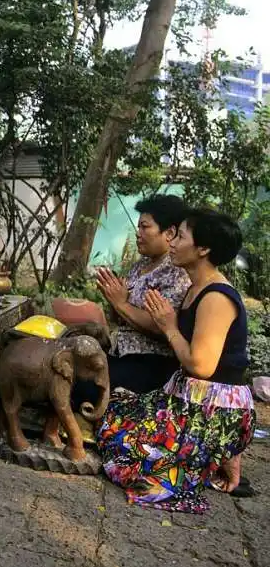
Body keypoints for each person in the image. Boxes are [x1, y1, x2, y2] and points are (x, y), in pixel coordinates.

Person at [97, 208, 256, 512]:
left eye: (180, 235)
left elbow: (201, 366)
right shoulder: (195, 287)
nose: (171, 241)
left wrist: (168, 326)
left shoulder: (216, 297)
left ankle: (217, 454)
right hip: (188, 397)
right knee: (114, 419)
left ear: (203, 249)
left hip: (214, 408)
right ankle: (214, 456)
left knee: (127, 457)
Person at [95, 194, 191, 393]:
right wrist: (112, 297)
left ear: (170, 233)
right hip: (119, 353)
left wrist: (122, 304)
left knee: (83, 387)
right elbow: (121, 316)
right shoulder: (140, 266)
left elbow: (161, 326)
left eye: (145, 227)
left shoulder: (176, 273)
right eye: (138, 227)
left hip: (151, 363)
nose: (138, 233)